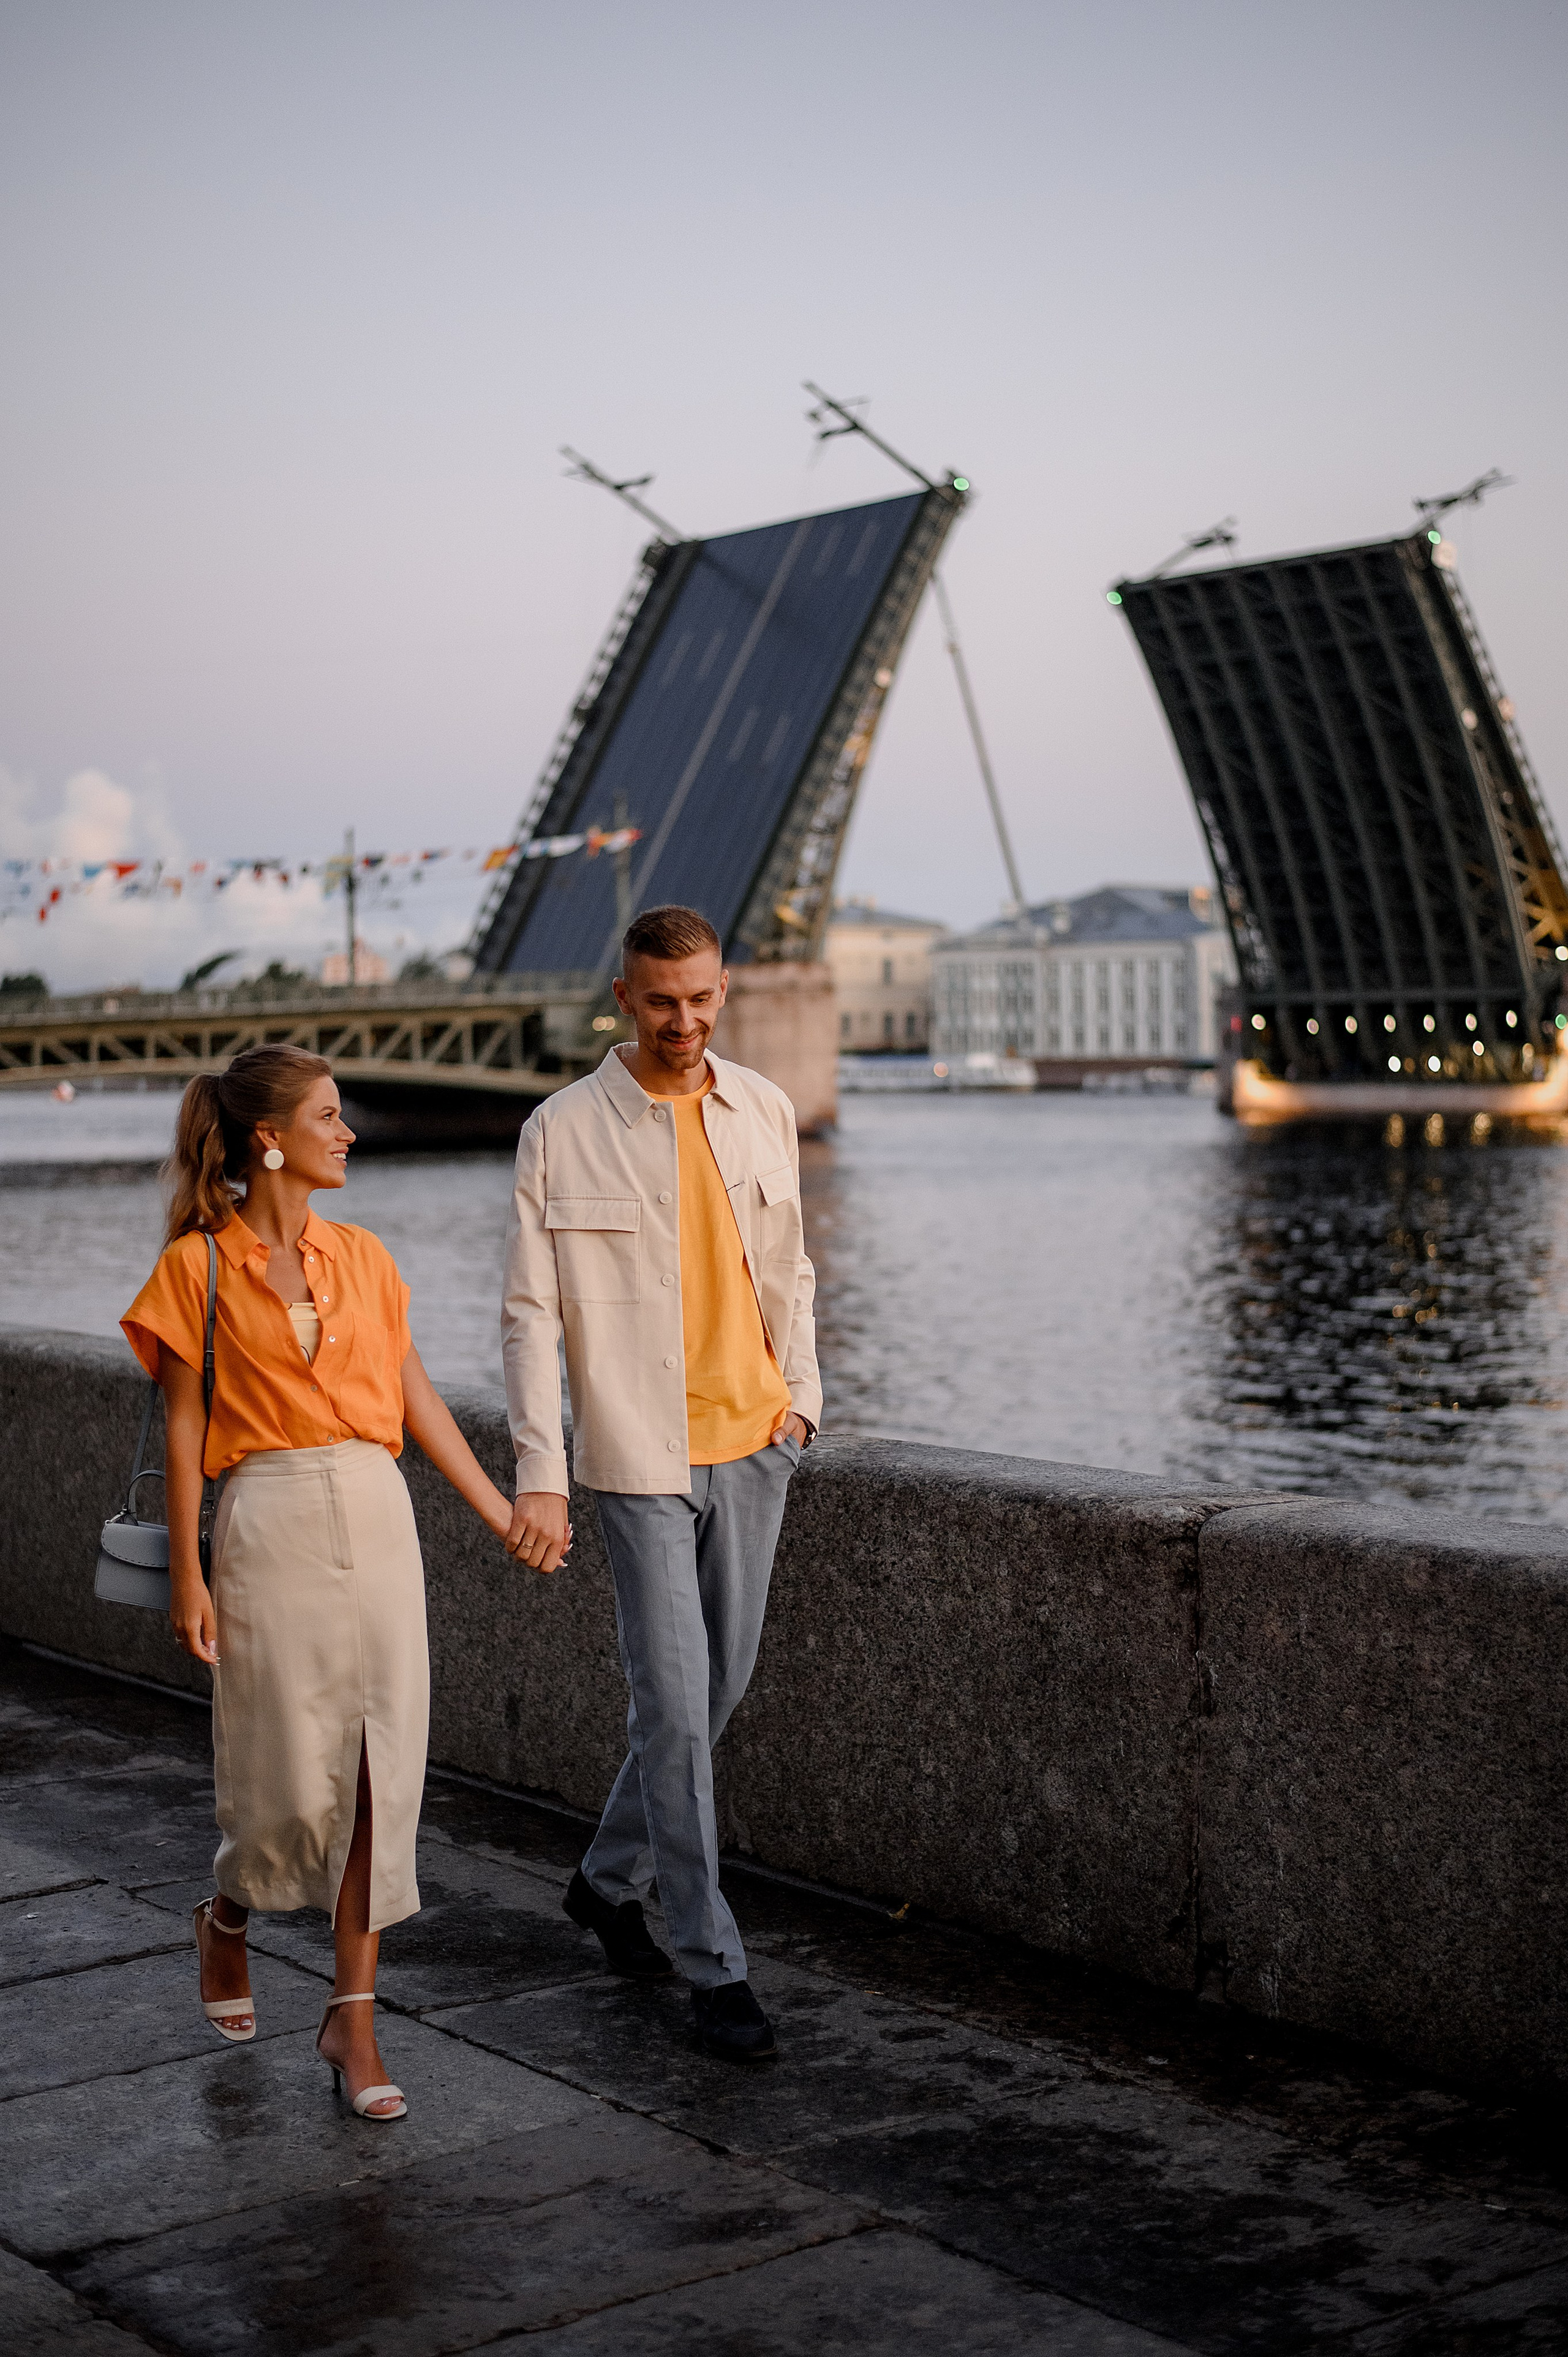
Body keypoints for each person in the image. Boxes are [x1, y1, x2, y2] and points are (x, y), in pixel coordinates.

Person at [123, 1043, 538, 2122]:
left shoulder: (365, 1256)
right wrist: (189, 1573)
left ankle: (353, 2019)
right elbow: (179, 1430)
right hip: (266, 1522)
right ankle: (226, 1917)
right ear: (270, 1140)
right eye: (327, 1116)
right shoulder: (195, 1270)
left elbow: (416, 1403)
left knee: (376, 1772)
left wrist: (503, 1514)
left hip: (376, 1512)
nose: (346, 1132)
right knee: (279, 1775)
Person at [501, 904, 820, 2062]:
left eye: (700, 1000)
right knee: (674, 1712)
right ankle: (710, 1962)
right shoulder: (561, 1130)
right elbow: (530, 1320)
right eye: (660, 1002)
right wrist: (543, 1475)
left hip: (754, 1443)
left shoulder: (764, 1111)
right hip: (635, 1459)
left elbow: (791, 1271)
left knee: (718, 1693)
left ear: (722, 991)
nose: (683, 1022)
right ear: (624, 1000)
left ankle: (602, 1882)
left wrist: (802, 1403)